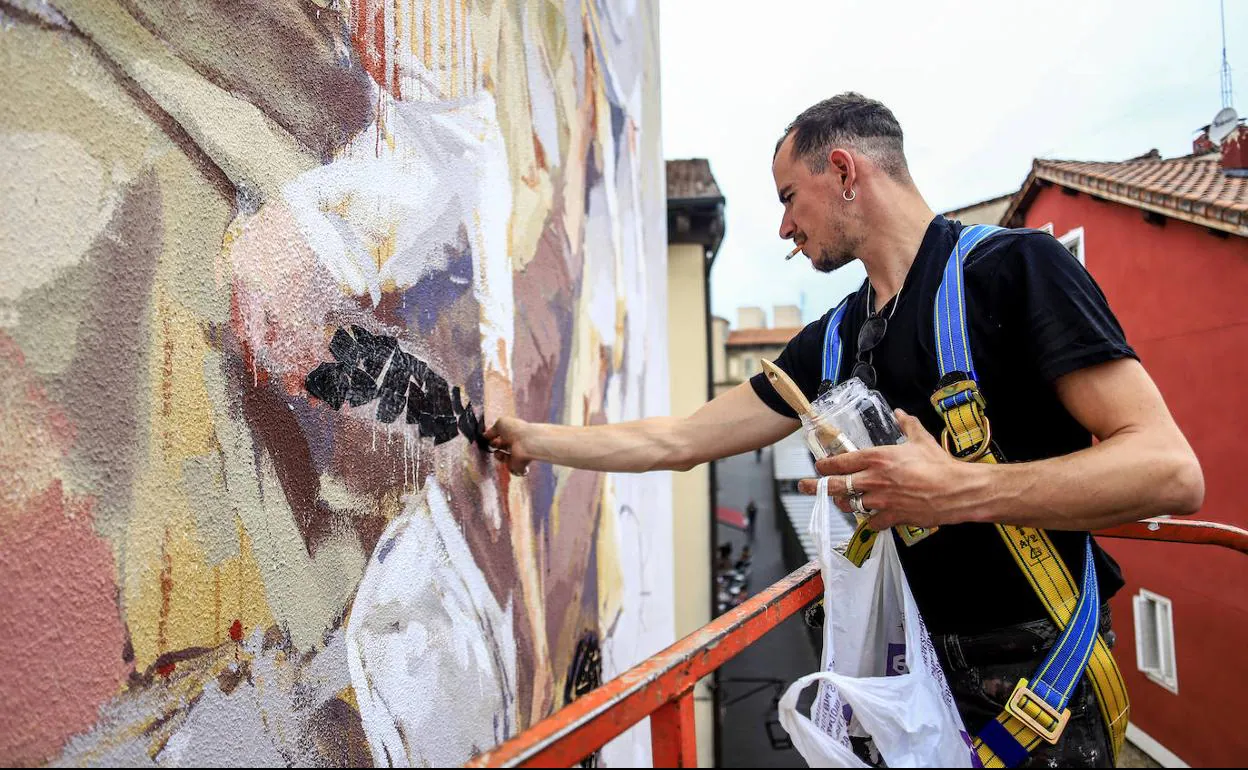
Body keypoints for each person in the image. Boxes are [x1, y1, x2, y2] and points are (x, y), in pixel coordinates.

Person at [485, 93, 1204, 767]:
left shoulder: (1016, 271)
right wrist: (533, 440)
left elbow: (1170, 470)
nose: (784, 228)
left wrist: (960, 490)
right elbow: (676, 441)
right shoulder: (830, 345)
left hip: (1039, 683)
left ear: (843, 171)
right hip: (908, 684)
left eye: (788, 198)